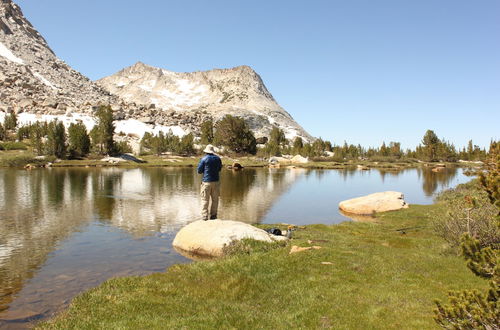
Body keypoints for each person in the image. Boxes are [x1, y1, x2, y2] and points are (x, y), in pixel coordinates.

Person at [197, 144, 222, 220]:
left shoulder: (204, 159)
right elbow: (219, 169)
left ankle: (204, 216)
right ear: (212, 151)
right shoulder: (218, 159)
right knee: (215, 200)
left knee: (205, 200)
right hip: (216, 182)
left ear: (206, 151)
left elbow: (199, 171)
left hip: (206, 182)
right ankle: (213, 216)